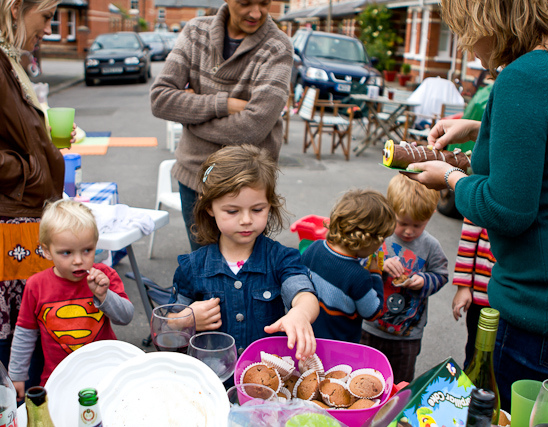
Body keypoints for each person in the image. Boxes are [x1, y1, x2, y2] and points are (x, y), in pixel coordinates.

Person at [405, 0, 548, 416]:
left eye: (464, 31)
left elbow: (508, 209)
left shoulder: (524, 77)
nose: (467, 48)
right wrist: (481, 128)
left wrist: (451, 179)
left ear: (486, 19)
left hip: (542, 313)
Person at [0, 0, 75, 389]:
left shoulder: (2, 58)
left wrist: (44, 142)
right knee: (16, 348)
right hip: (1, 231)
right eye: (45, 15)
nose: (50, 25)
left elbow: (6, 132)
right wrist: (28, 169)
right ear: (13, 8)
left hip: (16, 222)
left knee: (21, 343)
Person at [150, 0, 293, 251]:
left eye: (264, 3)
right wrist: (223, 104)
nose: (256, 12)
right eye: (246, 3)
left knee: (246, 272)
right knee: (203, 266)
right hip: (195, 176)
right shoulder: (196, 32)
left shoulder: (278, 47)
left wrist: (192, 120)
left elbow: (252, 127)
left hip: (248, 184)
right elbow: (160, 99)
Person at [168, 145, 319, 360]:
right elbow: (167, 325)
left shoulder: (281, 259)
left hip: (267, 380)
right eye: (232, 211)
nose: (246, 219)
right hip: (213, 382)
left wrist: (301, 313)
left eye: (257, 209)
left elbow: (303, 292)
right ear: (209, 207)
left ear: (270, 204)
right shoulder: (192, 267)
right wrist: (186, 320)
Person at [8, 200, 134, 399]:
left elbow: (126, 317)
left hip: (106, 375)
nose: (78, 260)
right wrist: (16, 376)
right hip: (58, 379)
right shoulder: (36, 285)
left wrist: (103, 295)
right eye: (66, 253)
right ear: (47, 250)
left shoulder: (104, 276)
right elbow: (25, 334)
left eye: (87, 250)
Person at [361, 174, 448, 384]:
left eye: (418, 225)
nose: (409, 231)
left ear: (431, 215)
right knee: (365, 379)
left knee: (400, 383)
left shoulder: (430, 246)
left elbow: (441, 274)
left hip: (407, 335)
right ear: (390, 210)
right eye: (402, 223)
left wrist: (424, 281)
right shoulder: (380, 236)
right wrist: (379, 264)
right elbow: (360, 262)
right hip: (370, 328)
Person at [301, 189, 395, 343]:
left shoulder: (314, 248)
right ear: (367, 239)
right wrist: (375, 273)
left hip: (305, 337)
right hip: (339, 346)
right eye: (381, 239)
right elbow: (373, 313)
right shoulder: (359, 277)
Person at [452, 218, 495, 369]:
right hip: (481, 296)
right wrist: (463, 286)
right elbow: (468, 238)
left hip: (513, 300)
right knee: (475, 355)